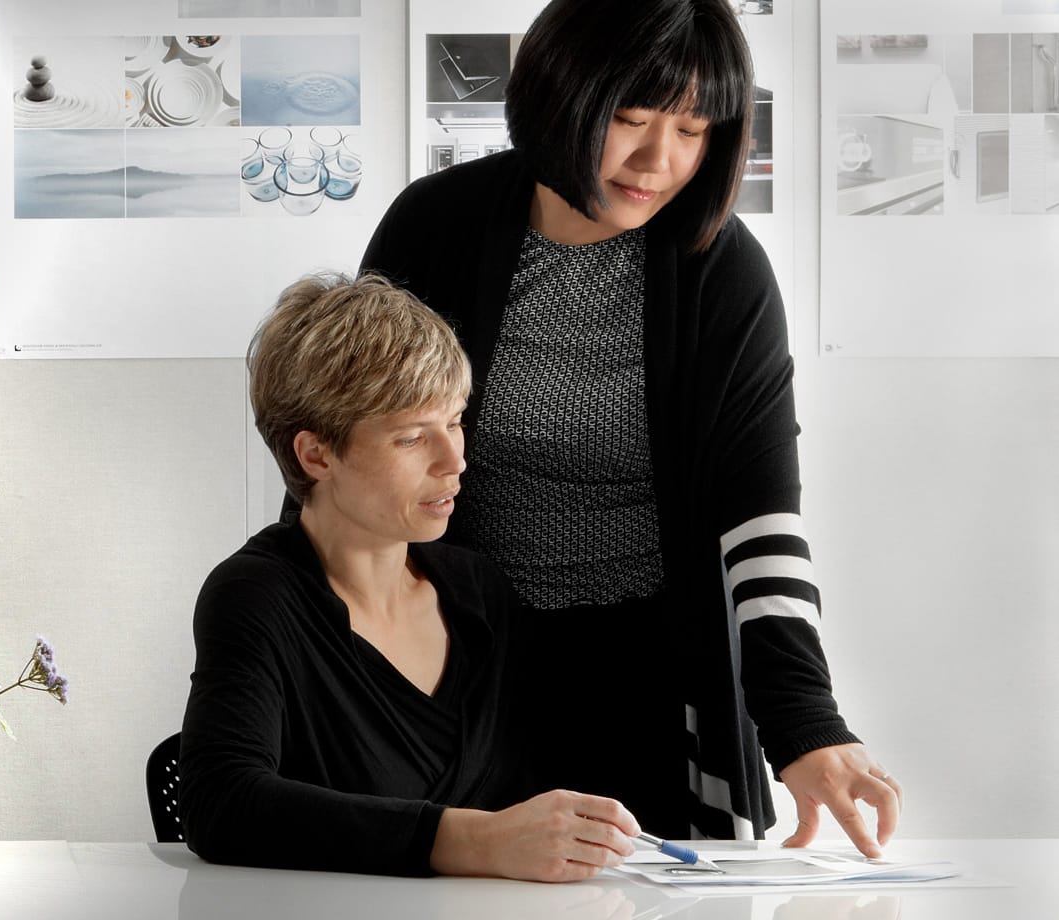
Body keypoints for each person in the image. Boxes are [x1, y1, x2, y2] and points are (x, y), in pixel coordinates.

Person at [358, 0, 903, 857]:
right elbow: (355, 459)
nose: (660, 162)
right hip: (457, 655)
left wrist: (804, 723)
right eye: (630, 119)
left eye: (693, 130)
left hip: (648, 666)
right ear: (558, 98)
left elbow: (758, 513)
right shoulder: (436, 228)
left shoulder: (722, 272)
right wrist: (309, 642)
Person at [178, 273, 640, 881]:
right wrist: (474, 842)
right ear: (315, 455)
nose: (455, 460)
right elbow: (221, 804)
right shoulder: (256, 597)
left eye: (454, 423)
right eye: (412, 437)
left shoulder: (479, 591)